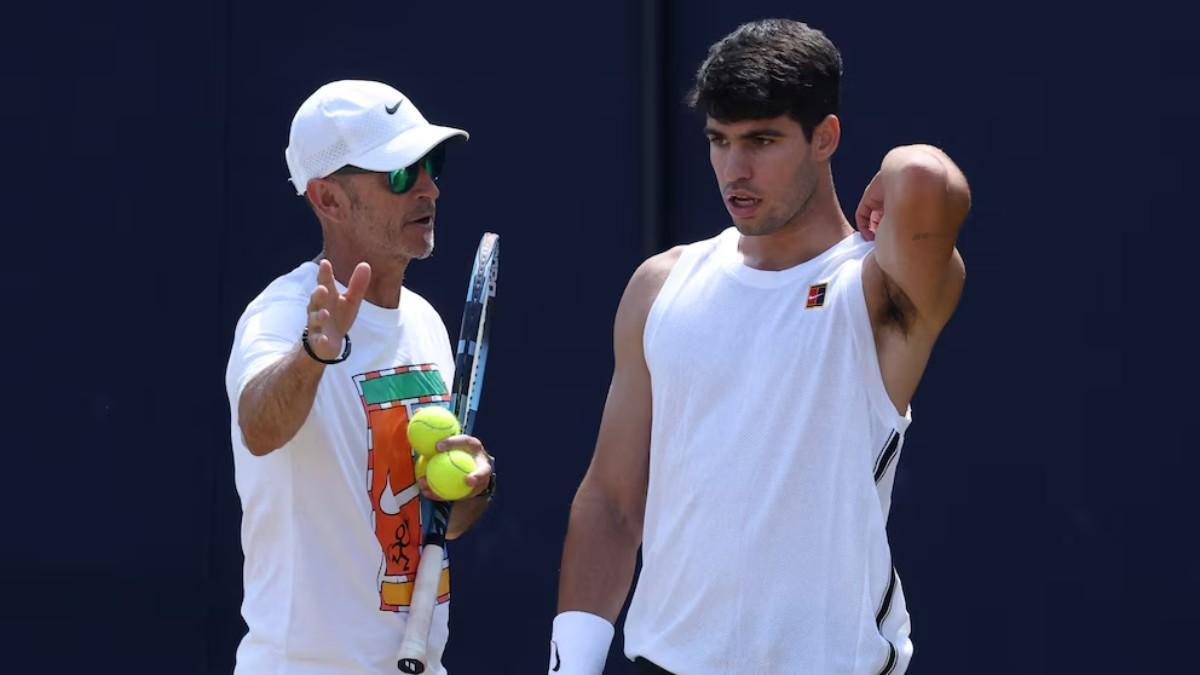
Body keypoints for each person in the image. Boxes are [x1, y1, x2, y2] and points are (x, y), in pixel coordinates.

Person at [550, 19, 970, 675]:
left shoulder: (877, 286)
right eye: (720, 141)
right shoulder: (660, 286)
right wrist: (569, 666)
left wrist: (890, 169)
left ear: (825, 137)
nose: (734, 169)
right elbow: (611, 500)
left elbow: (930, 183)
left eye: (762, 140)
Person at [225, 80, 495, 675]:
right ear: (328, 199)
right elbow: (259, 428)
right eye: (399, 175)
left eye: (432, 165)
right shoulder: (280, 316)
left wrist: (470, 487)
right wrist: (314, 354)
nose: (428, 187)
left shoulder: (423, 321)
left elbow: (432, 525)